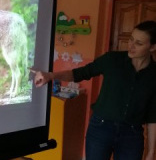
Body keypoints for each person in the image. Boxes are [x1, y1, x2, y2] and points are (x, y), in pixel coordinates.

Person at [30, 20, 156, 160]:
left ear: (152, 47)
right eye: (131, 39)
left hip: (132, 135)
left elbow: (153, 115)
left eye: (139, 43)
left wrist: (151, 152)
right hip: (101, 129)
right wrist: (51, 75)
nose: (131, 46)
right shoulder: (112, 60)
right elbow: (79, 73)